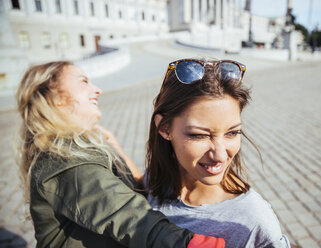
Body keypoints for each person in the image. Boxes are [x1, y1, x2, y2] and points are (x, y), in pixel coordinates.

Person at [16, 61, 225, 248]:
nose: (97, 90)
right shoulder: (65, 160)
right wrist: (194, 244)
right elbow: (130, 216)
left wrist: (113, 144)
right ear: (54, 98)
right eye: (84, 82)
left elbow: (138, 189)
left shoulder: (79, 147)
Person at [146, 59, 291, 248]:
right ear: (164, 128)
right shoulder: (157, 178)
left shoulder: (252, 221)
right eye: (199, 135)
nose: (221, 156)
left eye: (232, 133)